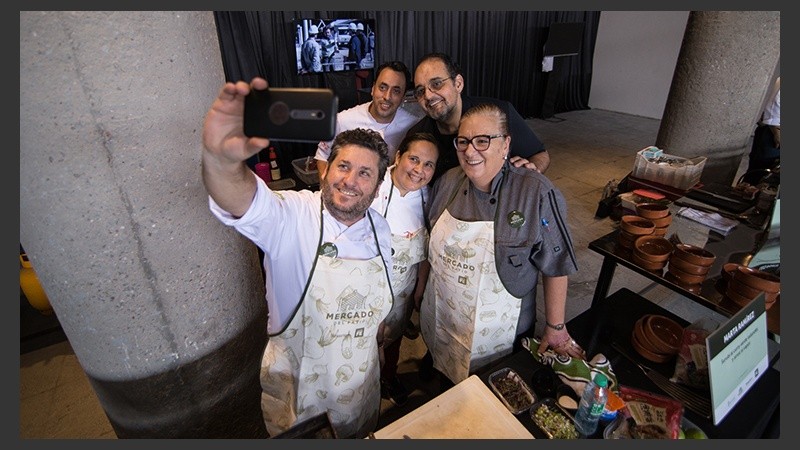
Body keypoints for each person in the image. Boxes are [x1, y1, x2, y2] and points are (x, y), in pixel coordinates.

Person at [201, 77, 394, 439]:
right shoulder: (293, 216)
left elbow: (377, 309)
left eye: (365, 172)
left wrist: (379, 348)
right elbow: (243, 200)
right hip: (301, 406)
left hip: (362, 397)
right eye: (343, 166)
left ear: (378, 185)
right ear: (327, 167)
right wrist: (221, 162)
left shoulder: (381, 229)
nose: (350, 180)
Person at [419, 103, 582, 391]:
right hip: (443, 321)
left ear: (506, 144)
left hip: (501, 335)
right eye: (463, 141)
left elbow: (555, 265)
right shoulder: (446, 183)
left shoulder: (536, 192)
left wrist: (556, 327)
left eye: (483, 141)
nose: (470, 151)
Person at [370, 132, 439, 406]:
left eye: (429, 165)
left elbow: (424, 249)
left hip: (403, 290)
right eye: (414, 159)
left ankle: (388, 378)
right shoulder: (373, 184)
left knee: (393, 342)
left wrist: (419, 290)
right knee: (364, 348)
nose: (419, 171)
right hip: (368, 288)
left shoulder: (427, 196)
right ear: (398, 157)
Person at [407, 52, 550, 184]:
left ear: (458, 83)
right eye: (420, 91)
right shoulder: (417, 136)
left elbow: (539, 154)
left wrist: (531, 171)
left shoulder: (499, 114)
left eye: (437, 84)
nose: (428, 96)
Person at [315, 61, 419, 176]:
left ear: (403, 97)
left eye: (396, 91)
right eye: (382, 87)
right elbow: (323, 157)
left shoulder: (412, 125)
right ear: (373, 89)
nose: (387, 97)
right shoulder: (342, 120)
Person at [743, 76, 780, 185]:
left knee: (774, 181)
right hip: (774, 133)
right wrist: (776, 131)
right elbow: (776, 103)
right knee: (759, 174)